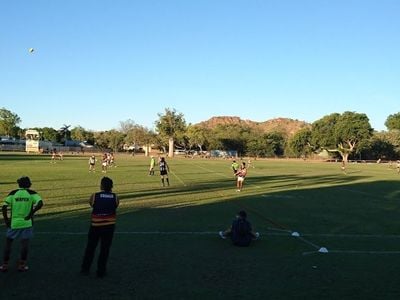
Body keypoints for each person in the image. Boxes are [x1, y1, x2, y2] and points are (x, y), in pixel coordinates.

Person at [0, 176, 43, 272]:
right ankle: (22, 265)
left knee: (8, 244)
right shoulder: (32, 193)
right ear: (28, 184)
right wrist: (31, 213)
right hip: (27, 223)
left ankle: (4, 265)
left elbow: (4, 207)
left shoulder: (13, 193)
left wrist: (6, 220)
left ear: (19, 184)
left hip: (13, 223)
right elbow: (40, 203)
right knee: (24, 244)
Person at [81, 177, 119, 278]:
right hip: (109, 227)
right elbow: (115, 206)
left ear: (101, 185)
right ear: (111, 186)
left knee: (90, 248)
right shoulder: (115, 197)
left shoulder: (94, 196)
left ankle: (85, 268)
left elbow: (91, 204)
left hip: (95, 226)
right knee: (105, 249)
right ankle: (101, 271)